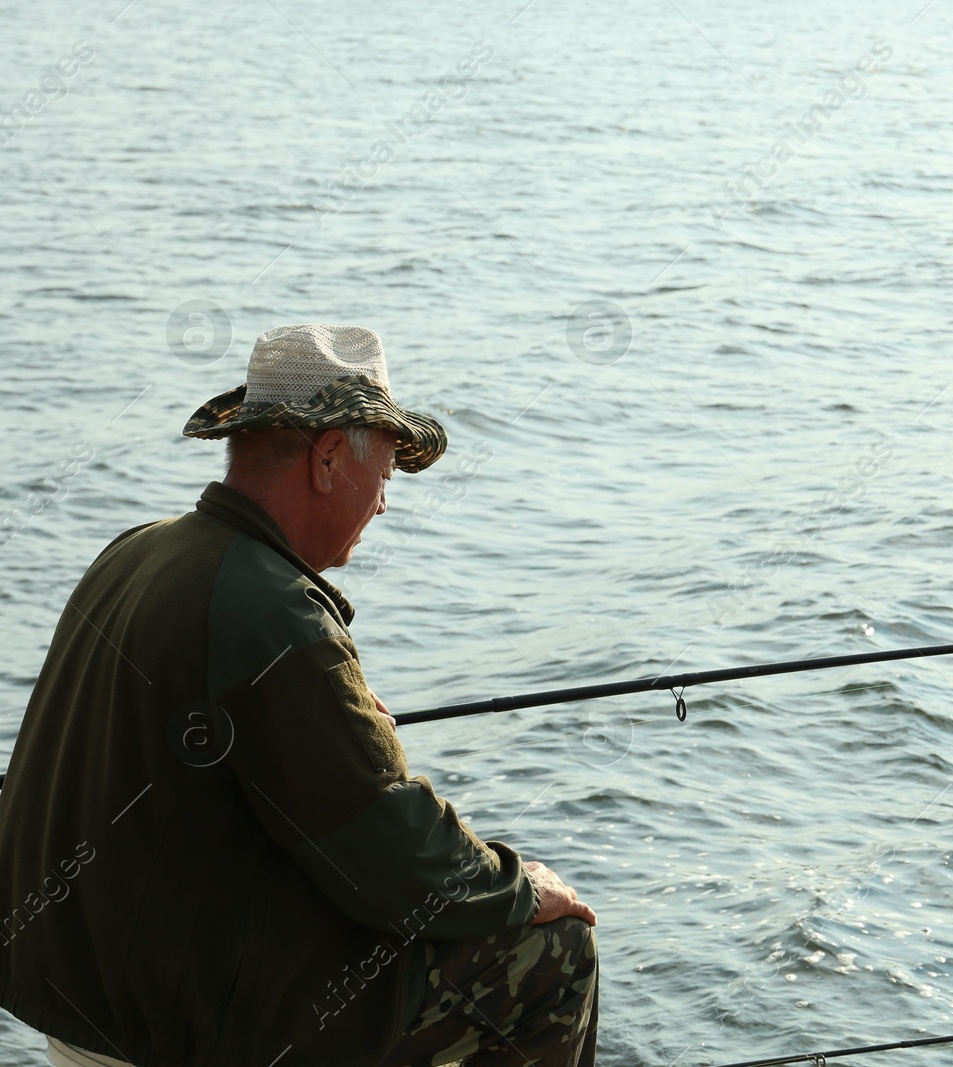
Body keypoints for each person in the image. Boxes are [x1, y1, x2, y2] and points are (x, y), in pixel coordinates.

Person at [0, 324, 597, 1067]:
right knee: (555, 952)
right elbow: (395, 852)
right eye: (384, 471)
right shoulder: (272, 610)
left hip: (77, 1000)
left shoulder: (134, 552)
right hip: (183, 1025)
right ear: (327, 459)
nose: (384, 503)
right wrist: (517, 885)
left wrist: (322, 717)